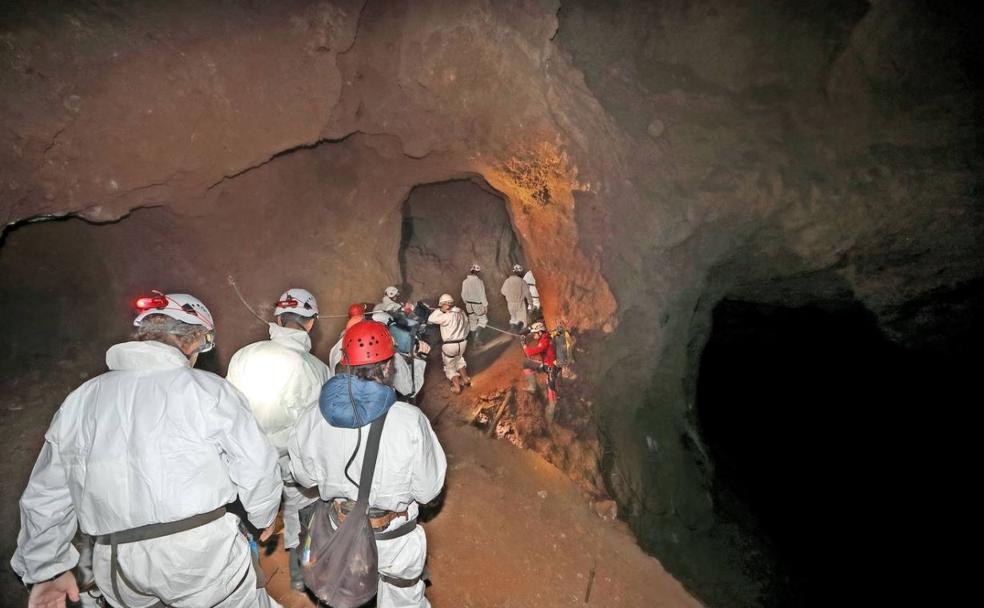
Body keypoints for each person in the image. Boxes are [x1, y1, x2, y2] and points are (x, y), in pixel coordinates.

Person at [11, 291, 283, 608]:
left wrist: (46, 569)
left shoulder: (82, 400)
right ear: (194, 339)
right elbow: (256, 464)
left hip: (117, 565)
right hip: (199, 556)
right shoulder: (208, 390)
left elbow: (47, 494)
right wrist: (263, 513)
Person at [289, 320, 447, 607]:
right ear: (388, 367)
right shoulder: (410, 422)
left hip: (340, 533)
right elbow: (428, 491)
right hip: (394, 539)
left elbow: (303, 478)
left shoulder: (314, 415)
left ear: (345, 363)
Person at [226, 288, 330, 592]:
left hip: (246, 463)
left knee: (244, 523)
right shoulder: (316, 369)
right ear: (311, 323)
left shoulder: (243, 356)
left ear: (279, 318)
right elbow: (317, 427)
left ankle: (246, 580)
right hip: (293, 465)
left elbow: (230, 414)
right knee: (305, 515)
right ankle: (301, 573)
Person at [427, 293, 471, 394]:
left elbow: (431, 319)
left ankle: (457, 387)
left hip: (450, 345)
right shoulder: (461, 312)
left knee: (450, 367)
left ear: (445, 304)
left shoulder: (447, 316)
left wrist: (440, 310)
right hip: (462, 343)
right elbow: (467, 327)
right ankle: (466, 379)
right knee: (459, 360)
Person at [522, 321, 559, 421]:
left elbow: (530, 353)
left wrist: (524, 344)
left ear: (540, 332)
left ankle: (551, 412)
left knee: (551, 389)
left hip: (550, 367)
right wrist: (526, 333)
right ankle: (533, 387)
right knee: (527, 363)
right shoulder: (547, 336)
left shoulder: (544, 341)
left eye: (535, 333)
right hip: (548, 364)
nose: (534, 335)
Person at [460, 263, 488, 346]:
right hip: (478, 305)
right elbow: (482, 294)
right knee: (483, 321)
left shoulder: (465, 282)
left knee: (472, 323)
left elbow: (463, 294)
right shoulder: (479, 282)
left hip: (469, 305)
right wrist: (485, 305)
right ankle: (476, 339)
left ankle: (474, 343)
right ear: (477, 272)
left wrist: (466, 302)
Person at [500, 264, 533, 331]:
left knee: (513, 318)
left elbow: (502, 292)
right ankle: (522, 333)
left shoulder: (507, 281)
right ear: (519, 272)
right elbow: (527, 293)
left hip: (510, 304)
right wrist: (530, 303)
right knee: (523, 320)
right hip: (519, 304)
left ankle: (512, 330)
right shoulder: (522, 281)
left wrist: (510, 296)